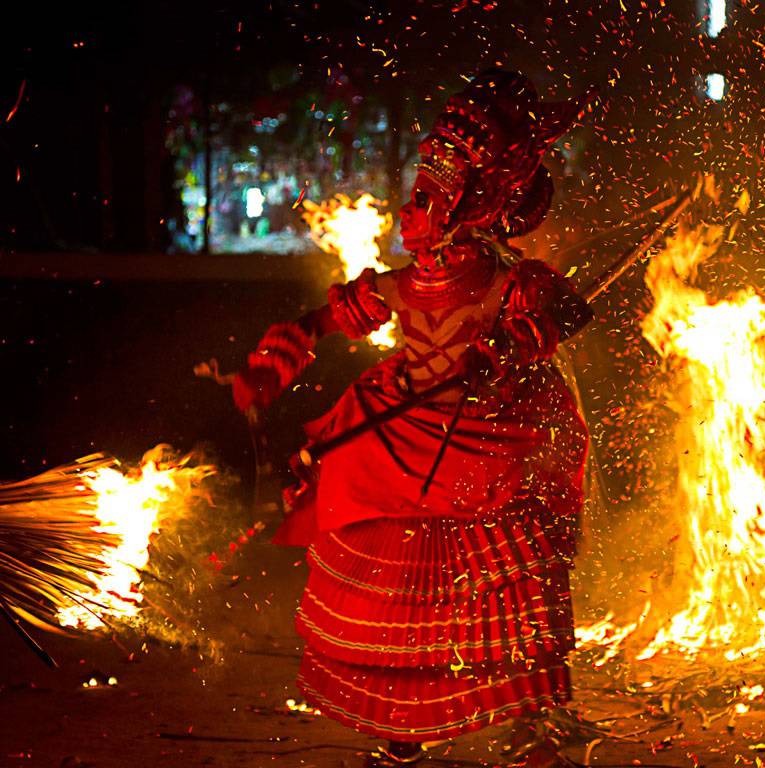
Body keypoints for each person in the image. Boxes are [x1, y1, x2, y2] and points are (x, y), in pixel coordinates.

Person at [231, 70, 592, 766]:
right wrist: (278, 359)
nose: (408, 211)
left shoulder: (511, 280)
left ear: (465, 204)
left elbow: (567, 311)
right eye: (413, 192)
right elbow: (330, 317)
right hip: (403, 441)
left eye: (424, 197)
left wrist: (514, 344)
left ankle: (537, 714)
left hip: (489, 445)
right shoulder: (404, 282)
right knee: (397, 588)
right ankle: (404, 721)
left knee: (507, 580)